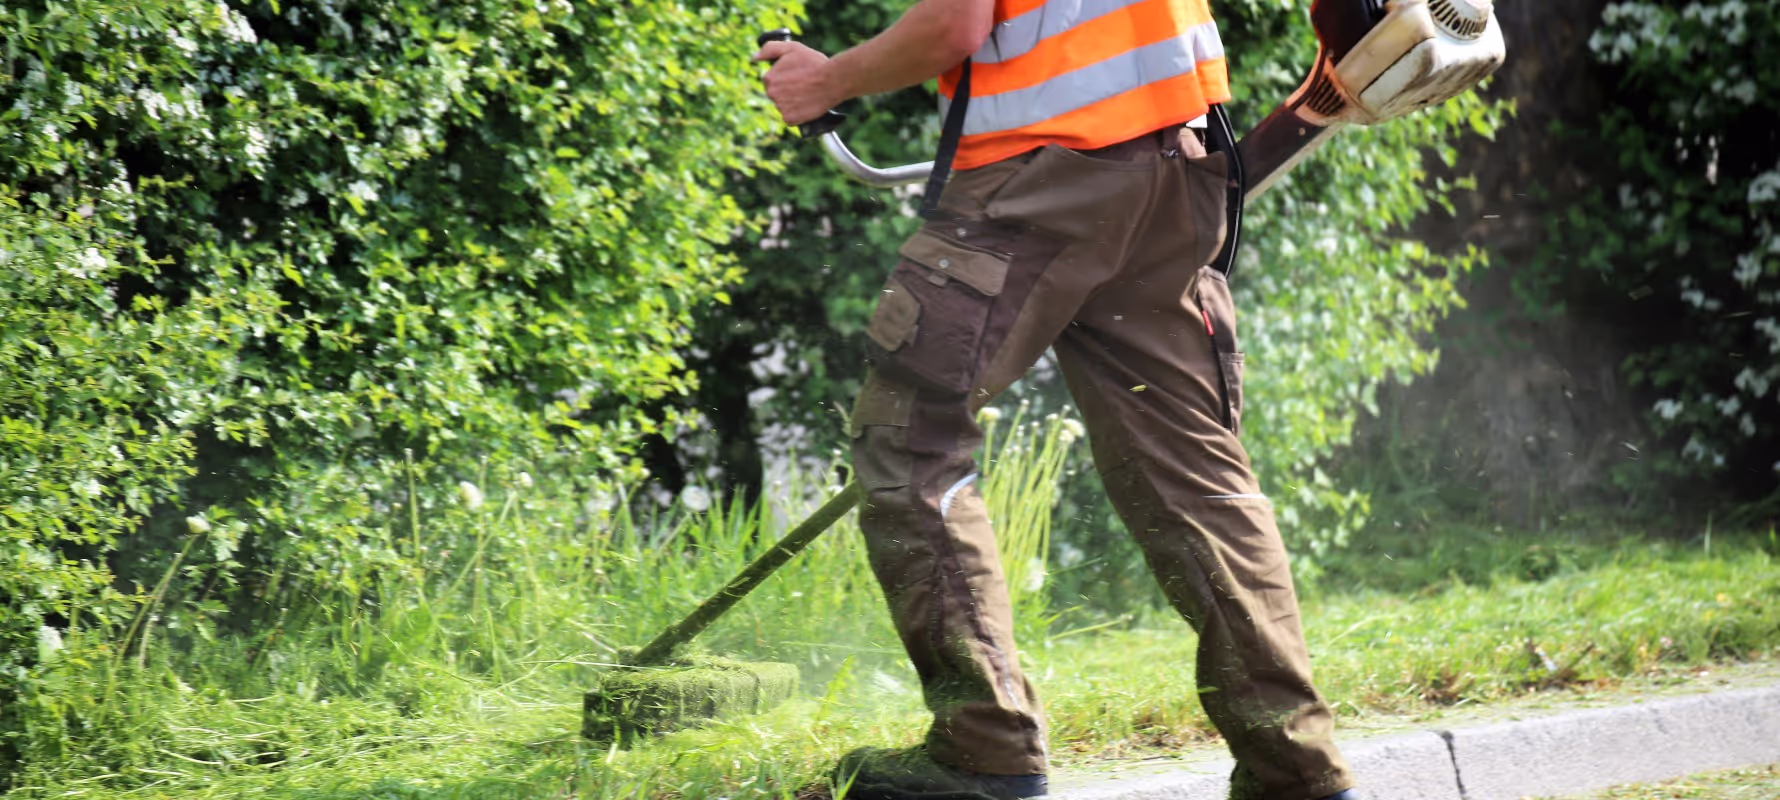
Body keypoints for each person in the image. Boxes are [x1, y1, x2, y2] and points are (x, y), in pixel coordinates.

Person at [754, 1, 1362, 798]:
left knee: (908, 439)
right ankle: (1296, 767)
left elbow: (955, 27)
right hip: (1179, 170)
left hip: (1036, 186)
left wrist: (825, 78)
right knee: (1196, 475)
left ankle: (985, 749)